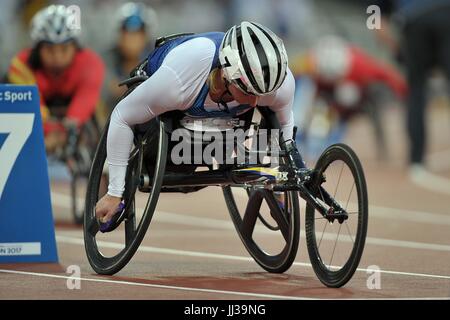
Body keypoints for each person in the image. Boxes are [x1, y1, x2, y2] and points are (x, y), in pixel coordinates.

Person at [95, 21, 303, 231]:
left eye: (263, 93)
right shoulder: (176, 82)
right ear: (227, 75)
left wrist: (279, 183)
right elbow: (121, 116)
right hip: (172, 94)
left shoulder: (279, 85)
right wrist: (114, 192)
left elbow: (284, 132)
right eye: (249, 92)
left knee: (259, 118)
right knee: (176, 160)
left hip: (209, 129)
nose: (255, 102)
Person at [7, 4, 105, 153]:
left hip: (72, 121)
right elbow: (30, 110)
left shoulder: (91, 63)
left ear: (75, 47)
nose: (58, 57)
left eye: (64, 49)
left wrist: (66, 131)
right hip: (41, 117)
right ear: (37, 49)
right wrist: (50, 132)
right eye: (50, 49)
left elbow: (85, 102)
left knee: (98, 109)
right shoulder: (21, 65)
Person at [292, 35, 407, 159]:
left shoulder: (361, 67)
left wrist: (405, 93)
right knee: (308, 96)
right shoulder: (310, 63)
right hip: (326, 91)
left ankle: (379, 148)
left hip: (358, 93)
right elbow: (291, 72)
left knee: (347, 95)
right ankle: (303, 138)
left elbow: (389, 75)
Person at [372, 0, 450, 177]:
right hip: (446, 14)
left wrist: (396, 48)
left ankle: (416, 160)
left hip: (414, 21)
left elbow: (374, 14)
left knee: (416, 91)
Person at [102, 2, 156, 116]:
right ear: (119, 36)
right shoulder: (107, 61)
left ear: (146, 37)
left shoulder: (156, 62)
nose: (132, 40)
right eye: (127, 33)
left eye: (137, 34)